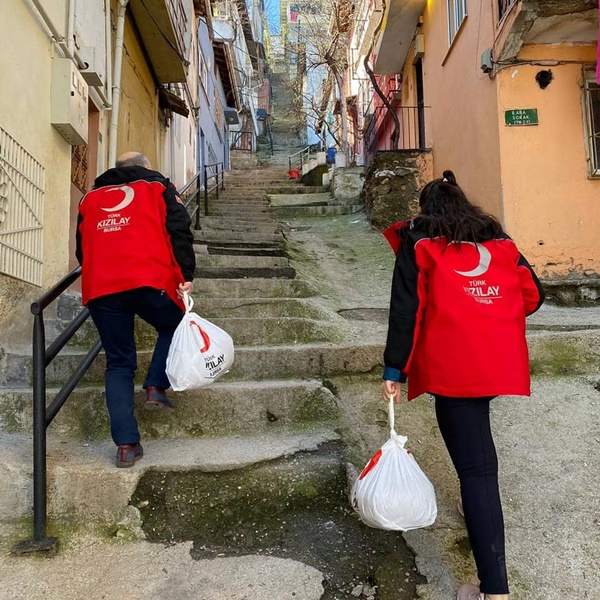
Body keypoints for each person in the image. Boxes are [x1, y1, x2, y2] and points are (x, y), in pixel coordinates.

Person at [380, 170, 544, 600]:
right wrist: (490, 316)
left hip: (453, 368)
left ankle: (494, 592)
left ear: (426, 209)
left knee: (477, 470)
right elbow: (533, 296)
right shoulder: (499, 241)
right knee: (477, 448)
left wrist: (394, 370)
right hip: (493, 362)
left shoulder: (420, 243)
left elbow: (406, 311)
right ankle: (473, 509)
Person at [76, 152, 196, 468]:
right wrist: (186, 274)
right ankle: (156, 384)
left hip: (100, 287)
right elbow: (179, 228)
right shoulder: (158, 187)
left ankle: (127, 447)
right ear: (145, 168)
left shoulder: (90, 198)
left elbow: (81, 246)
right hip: (149, 278)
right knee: (176, 324)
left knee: (118, 364)